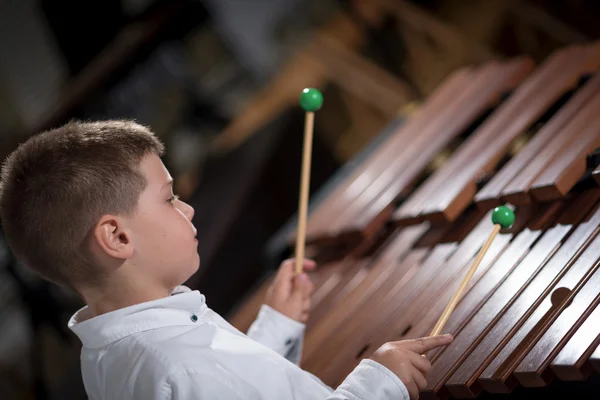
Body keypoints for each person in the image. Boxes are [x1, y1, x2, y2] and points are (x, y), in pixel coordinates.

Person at [0, 120, 453, 399]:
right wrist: (382, 380)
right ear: (117, 236)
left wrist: (275, 326)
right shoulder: (180, 366)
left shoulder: (110, 355)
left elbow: (236, 386)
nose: (189, 208)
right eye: (169, 198)